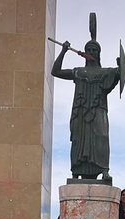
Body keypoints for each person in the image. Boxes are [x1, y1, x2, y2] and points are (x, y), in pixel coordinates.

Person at [51, 29, 121, 181]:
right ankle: (76, 170)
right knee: (78, 138)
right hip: (80, 110)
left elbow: (118, 75)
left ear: (98, 53)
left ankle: (104, 170)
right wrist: (63, 51)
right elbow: (55, 71)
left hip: (98, 110)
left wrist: (120, 66)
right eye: (89, 49)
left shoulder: (105, 72)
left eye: (94, 50)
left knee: (101, 137)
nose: (91, 52)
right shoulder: (78, 71)